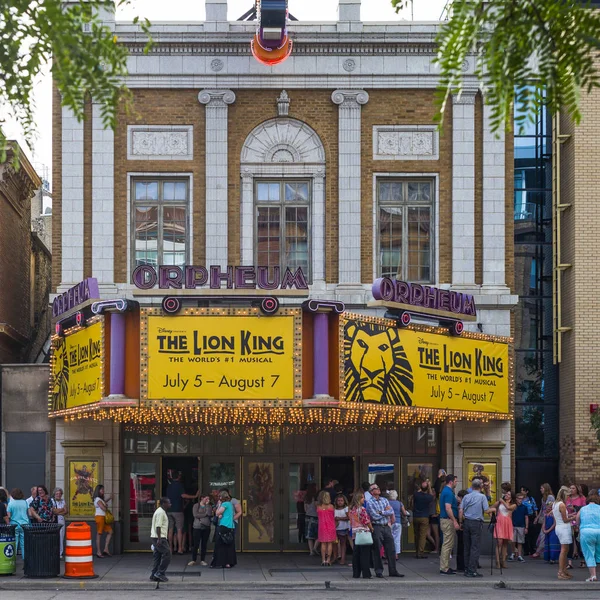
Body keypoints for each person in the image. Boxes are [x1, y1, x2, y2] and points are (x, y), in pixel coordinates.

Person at [366, 483, 404, 578]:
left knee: (391, 548)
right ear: (371, 492)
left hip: (386, 526)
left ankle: (393, 570)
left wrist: (381, 512)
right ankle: (379, 570)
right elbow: (374, 516)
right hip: (377, 526)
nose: (378, 489)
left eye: (378, 487)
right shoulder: (370, 502)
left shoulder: (385, 500)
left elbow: (391, 512)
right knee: (377, 549)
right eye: (375, 488)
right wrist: (385, 513)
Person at [459, 479, 491, 577]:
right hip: (476, 523)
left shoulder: (466, 496)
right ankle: (472, 570)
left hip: (467, 521)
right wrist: (494, 509)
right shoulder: (482, 497)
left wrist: (460, 522)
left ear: (472, 486)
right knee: (475, 547)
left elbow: (461, 510)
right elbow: (486, 510)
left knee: (467, 546)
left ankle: (466, 568)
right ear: (480, 487)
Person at [166, 472, 197, 555]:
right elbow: (183, 495)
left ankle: (171, 548)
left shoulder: (169, 486)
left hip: (169, 510)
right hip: (178, 510)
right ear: (179, 477)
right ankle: (180, 548)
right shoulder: (179, 485)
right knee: (179, 529)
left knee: (170, 529)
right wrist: (194, 496)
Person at [576, 490, 600, 582]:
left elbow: (577, 521)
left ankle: (593, 576)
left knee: (589, 554)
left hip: (586, 533)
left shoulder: (582, 509)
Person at [349, 491, 373, 579]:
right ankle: (366, 573)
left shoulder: (352, 509)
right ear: (359, 499)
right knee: (365, 554)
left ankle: (356, 573)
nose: (364, 499)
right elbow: (366, 521)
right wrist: (371, 528)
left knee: (356, 553)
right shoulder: (362, 509)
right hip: (363, 532)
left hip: (355, 533)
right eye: (363, 497)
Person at [211, 490, 237, 568]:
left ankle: (219, 562)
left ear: (221, 497)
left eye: (219, 496)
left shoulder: (224, 504)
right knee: (229, 545)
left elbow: (217, 513)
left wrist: (219, 505)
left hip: (224, 525)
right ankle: (228, 562)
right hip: (230, 526)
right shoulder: (230, 504)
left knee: (220, 544)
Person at [439, 474, 459, 575]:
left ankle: (445, 566)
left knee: (448, 543)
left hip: (446, 519)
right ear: (451, 482)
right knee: (447, 544)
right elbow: (448, 508)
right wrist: (454, 521)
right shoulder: (448, 493)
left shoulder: (446, 491)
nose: (456, 483)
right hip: (447, 520)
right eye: (456, 481)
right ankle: (444, 568)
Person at [553, 485, 574, 580]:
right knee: (564, 550)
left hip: (559, 526)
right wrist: (574, 517)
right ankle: (561, 572)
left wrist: (570, 514)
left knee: (566, 549)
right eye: (568, 495)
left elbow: (561, 516)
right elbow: (565, 519)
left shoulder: (555, 504)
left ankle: (564, 570)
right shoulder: (562, 504)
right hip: (564, 528)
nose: (569, 497)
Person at [151, 497, 171, 582]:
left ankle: (154, 574)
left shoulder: (160, 511)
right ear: (163, 504)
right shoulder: (160, 512)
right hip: (159, 537)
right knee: (167, 554)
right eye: (168, 503)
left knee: (158, 556)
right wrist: (159, 539)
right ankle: (160, 573)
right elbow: (158, 526)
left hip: (156, 537)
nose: (170, 504)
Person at [493, 489, 515, 569]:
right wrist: (492, 513)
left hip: (507, 523)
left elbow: (508, 508)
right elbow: (491, 508)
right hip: (499, 522)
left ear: (511, 497)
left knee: (505, 543)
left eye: (509, 494)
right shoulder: (499, 503)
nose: (506, 495)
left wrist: (502, 500)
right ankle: (497, 561)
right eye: (506, 494)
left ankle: (503, 561)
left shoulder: (513, 504)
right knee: (499, 542)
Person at [188, 494, 213, 566]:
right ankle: (193, 559)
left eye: (208, 499)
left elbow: (209, 513)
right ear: (202, 498)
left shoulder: (209, 506)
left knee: (204, 544)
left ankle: (203, 560)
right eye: (206, 499)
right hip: (197, 526)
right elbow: (195, 515)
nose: (207, 500)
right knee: (196, 543)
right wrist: (204, 514)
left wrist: (207, 506)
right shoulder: (196, 505)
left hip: (206, 526)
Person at [532, 483, 555, 558]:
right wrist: (537, 517)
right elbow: (542, 509)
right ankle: (540, 551)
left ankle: (539, 551)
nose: (540, 490)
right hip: (543, 517)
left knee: (543, 534)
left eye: (542, 488)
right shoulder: (543, 498)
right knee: (542, 534)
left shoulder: (550, 497)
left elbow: (550, 507)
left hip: (549, 517)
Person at [413, 480, 434, 559]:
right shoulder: (428, 497)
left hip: (415, 516)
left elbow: (418, 492)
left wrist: (423, 486)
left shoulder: (416, 495)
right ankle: (420, 552)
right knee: (422, 536)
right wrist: (429, 486)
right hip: (424, 517)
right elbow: (431, 495)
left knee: (416, 535)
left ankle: (416, 551)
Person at [566, 483, 586, 568]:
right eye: (570, 488)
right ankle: (569, 562)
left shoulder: (582, 498)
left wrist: (574, 509)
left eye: (573, 488)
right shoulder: (567, 498)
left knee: (579, 542)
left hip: (578, 520)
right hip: (569, 520)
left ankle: (582, 560)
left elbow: (584, 509)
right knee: (569, 542)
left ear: (577, 489)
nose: (571, 490)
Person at [7, 489, 29, 559]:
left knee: (14, 542)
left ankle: (13, 559)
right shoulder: (25, 502)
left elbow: (9, 516)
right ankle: (25, 559)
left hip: (14, 525)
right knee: (23, 543)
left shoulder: (11, 503)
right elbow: (30, 513)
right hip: (24, 524)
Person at [92, 484, 113, 558]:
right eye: (102, 490)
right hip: (100, 517)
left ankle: (106, 549)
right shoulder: (97, 499)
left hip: (103, 517)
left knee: (110, 531)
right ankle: (98, 552)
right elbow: (103, 508)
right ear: (98, 490)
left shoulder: (99, 499)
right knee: (99, 534)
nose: (103, 491)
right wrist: (106, 507)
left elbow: (103, 503)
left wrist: (109, 499)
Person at [316, 491, 336, 566]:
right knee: (330, 543)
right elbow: (334, 515)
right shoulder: (331, 506)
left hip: (322, 526)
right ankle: (328, 560)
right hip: (331, 525)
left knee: (323, 543)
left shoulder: (318, 506)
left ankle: (323, 560)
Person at [508, 493, 529, 562]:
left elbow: (526, 517)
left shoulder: (524, 507)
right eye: (519, 498)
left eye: (522, 499)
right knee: (513, 540)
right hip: (513, 525)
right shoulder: (513, 506)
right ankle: (513, 553)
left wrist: (526, 527)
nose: (520, 500)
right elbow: (510, 516)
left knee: (520, 541)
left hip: (521, 525)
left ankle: (519, 555)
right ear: (516, 499)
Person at [387, 490, 407, 559]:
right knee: (397, 539)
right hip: (398, 522)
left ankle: (389, 554)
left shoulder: (387, 503)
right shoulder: (399, 503)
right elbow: (404, 513)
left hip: (389, 522)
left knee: (389, 539)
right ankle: (396, 555)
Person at [520, 486, 538, 556]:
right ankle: (526, 550)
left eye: (523, 490)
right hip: (523, 517)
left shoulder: (530, 499)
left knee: (532, 533)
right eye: (521, 490)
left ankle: (532, 549)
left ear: (526, 491)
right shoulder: (520, 499)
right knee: (524, 534)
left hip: (531, 516)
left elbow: (535, 508)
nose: (522, 492)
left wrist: (536, 517)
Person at [334, 494, 350, 565]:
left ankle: (343, 558)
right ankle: (335, 557)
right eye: (338, 501)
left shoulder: (346, 508)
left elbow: (349, 517)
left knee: (343, 544)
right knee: (334, 544)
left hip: (343, 528)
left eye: (341, 501)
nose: (340, 502)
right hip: (335, 528)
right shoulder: (334, 509)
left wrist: (339, 518)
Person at [52, 487, 68, 558]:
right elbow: (53, 511)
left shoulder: (63, 501)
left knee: (61, 537)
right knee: (55, 537)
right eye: (57, 493)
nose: (58, 495)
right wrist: (61, 510)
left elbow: (66, 511)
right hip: (55, 521)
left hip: (61, 521)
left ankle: (60, 553)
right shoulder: (52, 501)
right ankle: (54, 552)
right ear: (54, 494)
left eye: (60, 494)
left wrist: (58, 511)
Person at [304, 485, 319, 556]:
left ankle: (311, 551)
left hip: (308, 517)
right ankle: (315, 547)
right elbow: (317, 508)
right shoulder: (316, 498)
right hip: (316, 517)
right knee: (318, 534)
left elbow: (305, 509)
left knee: (309, 535)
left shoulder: (306, 498)